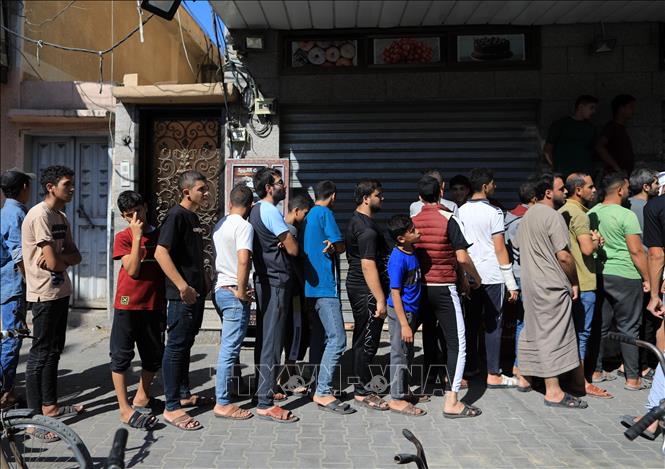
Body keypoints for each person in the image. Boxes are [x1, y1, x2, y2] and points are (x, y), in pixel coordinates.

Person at [411, 176, 483, 418]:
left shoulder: (413, 221)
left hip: (420, 288)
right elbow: (461, 258)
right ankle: (452, 401)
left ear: (420, 197)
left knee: (417, 338)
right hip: (443, 287)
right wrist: (475, 278)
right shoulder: (449, 218)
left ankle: (405, 391)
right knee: (457, 344)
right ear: (441, 193)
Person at [515, 173, 588, 409]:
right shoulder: (553, 216)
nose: (566, 192)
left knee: (532, 329)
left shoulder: (527, 217)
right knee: (552, 334)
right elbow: (564, 256)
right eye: (561, 188)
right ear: (548, 193)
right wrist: (574, 281)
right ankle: (553, 391)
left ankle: (525, 378)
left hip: (530, 284)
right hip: (551, 285)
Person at [22, 165, 83, 427]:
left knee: (54, 352)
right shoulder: (39, 215)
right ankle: (33, 421)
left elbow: (74, 256)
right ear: (51, 187)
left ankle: (50, 407)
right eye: (67, 184)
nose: (72, 189)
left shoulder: (61, 216)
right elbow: (54, 261)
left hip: (60, 291)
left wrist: (60, 259)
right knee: (40, 354)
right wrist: (60, 260)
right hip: (43, 294)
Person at [154, 170, 210, 431]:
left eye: (206, 189)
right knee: (176, 346)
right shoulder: (176, 216)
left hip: (195, 295)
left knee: (186, 343)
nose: (206, 193)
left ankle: (184, 394)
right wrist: (182, 286)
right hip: (181, 297)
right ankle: (172, 406)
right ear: (186, 192)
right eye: (201, 189)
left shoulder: (193, 217)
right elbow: (160, 253)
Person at [589, 173, 651, 391]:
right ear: (619, 190)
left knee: (600, 325)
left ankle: (596, 371)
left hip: (600, 273)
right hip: (626, 275)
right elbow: (636, 251)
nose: (628, 191)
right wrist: (647, 277)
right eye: (626, 188)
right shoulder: (627, 215)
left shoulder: (592, 212)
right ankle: (633, 379)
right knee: (629, 327)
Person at [458, 168, 519, 388]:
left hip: (469, 276)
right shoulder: (495, 212)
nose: (495, 187)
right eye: (493, 183)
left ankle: (471, 367)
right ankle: (493, 373)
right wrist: (511, 282)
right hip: (492, 276)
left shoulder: (460, 211)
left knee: (471, 323)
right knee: (494, 325)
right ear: (485, 186)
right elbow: (500, 248)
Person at [110, 191, 164, 429]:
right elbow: (132, 270)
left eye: (139, 211)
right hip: (127, 304)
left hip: (153, 304)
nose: (136, 218)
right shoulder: (123, 237)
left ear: (146, 207)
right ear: (124, 217)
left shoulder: (160, 235)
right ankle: (124, 408)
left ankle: (142, 396)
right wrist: (137, 237)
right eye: (130, 215)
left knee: (153, 355)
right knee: (121, 356)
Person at [249, 167, 300, 423]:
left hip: (265, 279)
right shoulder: (270, 211)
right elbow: (292, 249)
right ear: (269, 188)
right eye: (280, 183)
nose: (284, 186)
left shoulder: (255, 210)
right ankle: (265, 402)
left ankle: (263, 389)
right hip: (276, 280)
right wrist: (289, 238)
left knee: (264, 339)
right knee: (272, 341)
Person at [558, 173, 612, 399]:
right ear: (578, 190)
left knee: (568, 331)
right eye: (590, 187)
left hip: (566, 281)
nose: (594, 190)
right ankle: (581, 382)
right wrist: (596, 241)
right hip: (583, 281)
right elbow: (587, 249)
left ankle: (568, 377)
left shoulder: (562, 211)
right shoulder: (580, 215)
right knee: (582, 333)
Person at [303, 180, 355, 414]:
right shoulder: (325, 214)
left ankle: (316, 384)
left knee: (319, 338)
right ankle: (323, 391)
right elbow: (340, 245)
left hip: (310, 288)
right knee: (338, 339)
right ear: (333, 196)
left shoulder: (309, 216)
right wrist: (336, 245)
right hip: (325, 287)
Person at [621, 192, 665, 439]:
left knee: (664, 346)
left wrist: (655, 295)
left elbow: (656, 254)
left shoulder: (657, 205)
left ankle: (652, 416)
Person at [345, 179, 390, 411]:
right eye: (378, 195)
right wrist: (380, 298)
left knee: (363, 338)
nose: (382, 198)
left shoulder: (358, 220)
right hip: (366, 291)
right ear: (366, 198)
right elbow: (367, 264)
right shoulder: (366, 229)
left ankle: (361, 383)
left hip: (362, 289)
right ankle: (362, 391)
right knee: (368, 341)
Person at [211, 184, 254, 421]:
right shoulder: (244, 226)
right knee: (229, 349)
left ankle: (233, 387)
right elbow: (243, 260)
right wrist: (242, 290)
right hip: (233, 291)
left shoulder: (221, 224)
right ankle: (223, 402)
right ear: (250, 206)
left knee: (230, 347)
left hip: (220, 289)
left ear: (230, 203)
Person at [386, 215, 426, 417]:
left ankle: (404, 389)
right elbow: (395, 293)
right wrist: (404, 324)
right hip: (400, 313)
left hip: (411, 312)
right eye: (412, 231)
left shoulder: (411, 251)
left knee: (407, 353)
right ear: (401, 238)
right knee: (399, 353)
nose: (417, 232)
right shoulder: (398, 259)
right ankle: (396, 398)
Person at [0, 169, 33, 408]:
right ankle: (4, 393)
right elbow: (18, 253)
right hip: (13, 284)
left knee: (12, 336)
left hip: (8, 282)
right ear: (23, 188)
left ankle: (7, 389)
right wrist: (31, 282)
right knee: (12, 338)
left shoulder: (8, 211)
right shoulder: (16, 213)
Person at [279, 190, 313, 395]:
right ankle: (287, 378)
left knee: (290, 333)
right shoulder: (291, 231)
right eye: (306, 213)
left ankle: (287, 375)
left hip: (288, 291)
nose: (307, 218)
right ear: (297, 210)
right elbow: (295, 265)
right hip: (295, 293)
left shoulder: (281, 228)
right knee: (296, 332)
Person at [628, 168, 660, 380]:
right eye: (656, 183)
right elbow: (647, 249)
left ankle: (628, 364)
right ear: (646, 187)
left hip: (629, 270)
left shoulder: (627, 205)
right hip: (647, 269)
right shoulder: (649, 207)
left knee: (631, 321)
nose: (659, 187)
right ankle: (644, 366)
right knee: (647, 321)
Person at [504, 181, 536, 388]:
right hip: (525, 275)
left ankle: (519, 366)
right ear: (534, 198)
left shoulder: (509, 217)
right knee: (525, 323)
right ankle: (520, 366)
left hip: (514, 274)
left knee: (521, 321)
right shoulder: (525, 220)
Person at [543, 95, 598, 177]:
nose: (594, 111)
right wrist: (555, 169)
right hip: (564, 175)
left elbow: (593, 150)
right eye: (591, 107)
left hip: (585, 175)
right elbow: (547, 149)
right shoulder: (560, 125)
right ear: (580, 107)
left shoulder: (591, 128)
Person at [596, 94, 637, 175]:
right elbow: (599, 146)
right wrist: (616, 168)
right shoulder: (611, 127)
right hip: (616, 176)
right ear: (621, 109)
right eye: (630, 107)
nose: (633, 111)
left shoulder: (621, 128)